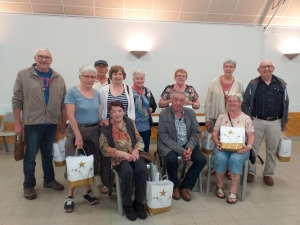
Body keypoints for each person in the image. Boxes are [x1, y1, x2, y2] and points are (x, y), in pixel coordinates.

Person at [12, 47, 66, 200]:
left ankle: (49, 180)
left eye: (47, 57)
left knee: (48, 155)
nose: (44, 59)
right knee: (30, 157)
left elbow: (63, 103)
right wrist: (17, 124)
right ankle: (28, 185)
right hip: (32, 124)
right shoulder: (23, 75)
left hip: (51, 124)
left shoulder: (58, 77)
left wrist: (62, 123)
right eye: (41, 56)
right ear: (35, 58)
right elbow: (17, 101)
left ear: (51, 60)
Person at [242, 60, 289, 186]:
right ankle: (251, 172)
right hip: (256, 121)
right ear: (259, 70)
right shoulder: (253, 84)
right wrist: (249, 119)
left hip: (276, 122)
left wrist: (285, 121)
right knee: (252, 148)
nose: (266, 69)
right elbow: (245, 103)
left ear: (273, 68)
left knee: (272, 149)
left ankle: (268, 174)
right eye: (263, 67)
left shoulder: (281, 84)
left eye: (269, 66)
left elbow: (286, 104)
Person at [100, 100, 148, 221]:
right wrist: (121, 153)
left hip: (133, 154)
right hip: (118, 157)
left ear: (124, 111)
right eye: (114, 111)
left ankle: (139, 202)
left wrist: (136, 150)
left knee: (141, 169)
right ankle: (127, 204)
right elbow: (104, 148)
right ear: (110, 113)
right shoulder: (106, 128)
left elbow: (139, 138)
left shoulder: (130, 122)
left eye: (119, 111)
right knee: (127, 172)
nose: (117, 114)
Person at [63, 64, 101, 213]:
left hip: (94, 131)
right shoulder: (72, 92)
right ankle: (70, 195)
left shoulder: (97, 93)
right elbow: (70, 115)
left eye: (92, 77)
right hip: (76, 130)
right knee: (73, 162)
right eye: (87, 76)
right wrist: (78, 136)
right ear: (80, 77)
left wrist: (102, 119)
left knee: (90, 162)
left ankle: (87, 192)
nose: (90, 79)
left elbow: (96, 113)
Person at [158, 90, 207, 201]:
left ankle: (185, 186)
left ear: (185, 102)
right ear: (171, 100)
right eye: (175, 100)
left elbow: (195, 133)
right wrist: (181, 150)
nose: (178, 103)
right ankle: (174, 186)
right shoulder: (164, 114)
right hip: (169, 145)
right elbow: (164, 136)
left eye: (181, 100)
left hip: (187, 143)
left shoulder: (190, 113)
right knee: (171, 159)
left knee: (201, 160)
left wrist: (189, 148)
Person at [204, 58, 244, 179]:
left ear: (234, 69)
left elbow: (241, 101)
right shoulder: (214, 82)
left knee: (229, 142)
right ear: (223, 67)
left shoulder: (239, 83)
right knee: (214, 143)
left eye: (231, 67)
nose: (228, 68)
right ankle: (214, 166)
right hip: (215, 117)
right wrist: (207, 118)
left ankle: (228, 168)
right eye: (226, 66)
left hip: (232, 119)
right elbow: (208, 101)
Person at [212, 93, 254, 204]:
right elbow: (215, 133)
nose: (232, 103)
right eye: (230, 101)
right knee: (220, 158)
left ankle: (234, 189)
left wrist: (248, 147)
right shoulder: (221, 117)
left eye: (235, 101)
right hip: (223, 147)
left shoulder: (246, 118)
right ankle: (219, 185)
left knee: (235, 159)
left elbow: (251, 136)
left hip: (240, 148)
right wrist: (216, 141)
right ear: (227, 103)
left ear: (240, 103)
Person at [99, 65, 135, 194]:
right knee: (109, 154)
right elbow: (102, 108)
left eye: (120, 74)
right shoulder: (104, 89)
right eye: (115, 74)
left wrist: (130, 125)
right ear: (111, 75)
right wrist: (103, 121)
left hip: (125, 126)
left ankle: (126, 176)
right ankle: (108, 182)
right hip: (109, 127)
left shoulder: (128, 89)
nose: (118, 76)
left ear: (123, 76)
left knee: (125, 150)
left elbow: (131, 109)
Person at [92, 59, 110, 194]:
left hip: (109, 122)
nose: (101, 69)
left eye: (103, 67)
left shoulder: (112, 82)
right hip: (93, 120)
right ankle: (92, 175)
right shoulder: (91, 82)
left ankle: (107, 180)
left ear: (107, 69)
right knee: (95, 149)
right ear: (95, 68)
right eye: (98, 67)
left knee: (107, 150)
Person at [132, 69, 157, 152]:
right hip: (133, 126)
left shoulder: (147, 91)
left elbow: (154, 105)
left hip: (146, 125)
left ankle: (145, 163)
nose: (140, 80)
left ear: (144, 79)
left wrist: (151, 109)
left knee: (145, 148)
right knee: (134, 148)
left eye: (141, 78)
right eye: (137, 78)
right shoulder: (129, 91)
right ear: (133, 80)